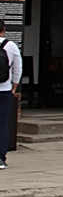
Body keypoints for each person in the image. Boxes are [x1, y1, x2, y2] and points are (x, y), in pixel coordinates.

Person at [0, 19, 23, 170]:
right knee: (2, 125)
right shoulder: (11, 45)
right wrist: (14, 87)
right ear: (4, 29)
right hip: (4, 90)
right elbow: (18, 68)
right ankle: (1, 158)